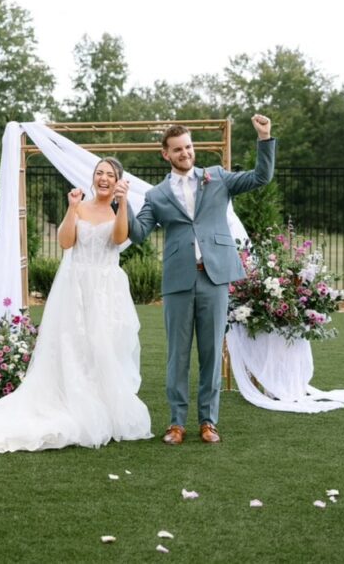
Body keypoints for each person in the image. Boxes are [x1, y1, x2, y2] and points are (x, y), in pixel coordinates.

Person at [0, 157, 153, 452]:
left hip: (107, 289)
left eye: (109, 175)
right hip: (76, 286)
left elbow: (119, 236)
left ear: (117, 181)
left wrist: (123, 203)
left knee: (105, 346)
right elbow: (65, 242)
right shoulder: (81, 206)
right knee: (75, 345)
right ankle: (75, 406)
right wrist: (72, 207)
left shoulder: (118, 209)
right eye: (99, 173)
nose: (103, 178)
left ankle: (104, 407)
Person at [128, 116, 276, 445]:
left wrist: (264, 138)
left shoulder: (218, 177)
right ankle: (176, 424)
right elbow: (138, 234)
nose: (186, 153)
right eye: (178, 149)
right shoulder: (155, 195)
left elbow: (260, 177)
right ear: (165, 154)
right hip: (178, 281)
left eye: (189, 147)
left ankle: (208, 422)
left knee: (211, 352)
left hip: (214, 277)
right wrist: (120, 200)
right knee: (177, 354)